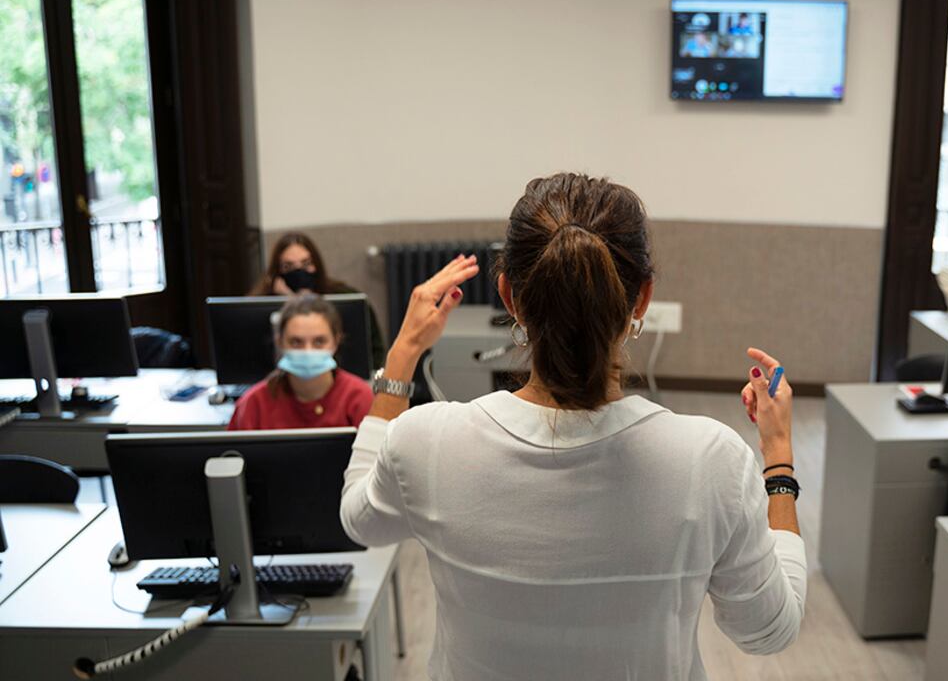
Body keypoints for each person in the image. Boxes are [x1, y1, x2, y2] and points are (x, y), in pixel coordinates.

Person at [340, 174, 806, 679]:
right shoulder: (710, 459)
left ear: (509, 296)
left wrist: (403, 354)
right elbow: (768, 630)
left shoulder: (427, 442)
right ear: (642, 299)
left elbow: (360, 521)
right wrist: (778, 456)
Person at [227, 294, 373, 431]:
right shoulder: (253, 404)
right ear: (280, 342)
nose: (307, 351)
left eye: (319, 342)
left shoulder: (360, 398)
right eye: (296, 342)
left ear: (336, 341)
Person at [251, 231, 387, 366]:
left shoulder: (346, 296)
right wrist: (290, 299)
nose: (299, 272)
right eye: (288, 266)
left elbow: (376, 351)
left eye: (306, 264)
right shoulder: (259, 302)